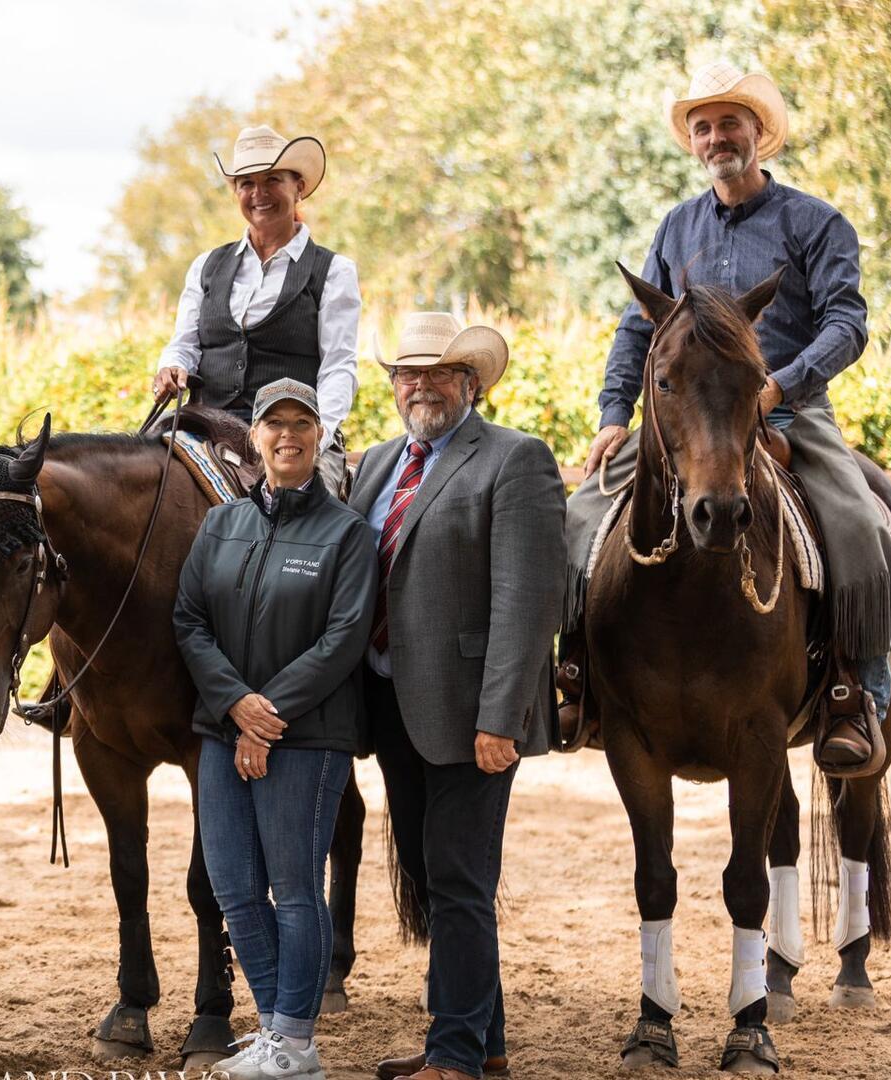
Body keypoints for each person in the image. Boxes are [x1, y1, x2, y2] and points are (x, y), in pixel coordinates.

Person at [558, 61, 891, 771]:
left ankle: (853, 695)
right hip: (684, 417)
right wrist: (613, 413)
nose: (718, 137)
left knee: (863, 524)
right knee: (576, 523)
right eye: (705, 127)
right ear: (694, 143)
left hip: (788, 408)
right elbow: (637, 330)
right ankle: (576, 683)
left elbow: (847, 322)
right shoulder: (675, 227)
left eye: (730, 123)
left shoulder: (816, 223)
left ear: (759, 133)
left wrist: (781, 385)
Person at [346, 313, 565, 1080]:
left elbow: (530, 599)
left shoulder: (515, 459)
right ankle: (483, 1040)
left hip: (475, 716)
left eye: (438, 372)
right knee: (439, 880)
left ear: (470, 382)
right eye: (407, 373)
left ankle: (453, 1057)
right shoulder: (375, 464)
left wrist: (501, 718)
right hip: (391, 707)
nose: (420, 385)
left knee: (461, 882)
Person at [173, 379, 377, 1080]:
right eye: (274, 424)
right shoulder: (221, 524)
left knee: (294, 888)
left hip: (310, 739)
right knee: (233, 889)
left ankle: (295, 1039)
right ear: (254, 439)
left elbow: (345, 636)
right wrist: (236, 706)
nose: (287, 435)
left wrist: (267, 716)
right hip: (221, 732)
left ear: (319, 436)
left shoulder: (348, 533)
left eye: (301, 423)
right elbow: (189, 621)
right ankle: (275, 1036)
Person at [149, 124, 361, 496]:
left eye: (272, 180)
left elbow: (338, 367)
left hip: (289, 431)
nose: (258, 193)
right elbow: (184, 343)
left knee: (308, 519)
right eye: (246, 183)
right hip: (205, 424)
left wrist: (316, 437)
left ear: (299, 187)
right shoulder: (206, 266)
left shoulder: (333, 271)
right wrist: (173, 366)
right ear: (236, 192)